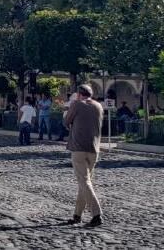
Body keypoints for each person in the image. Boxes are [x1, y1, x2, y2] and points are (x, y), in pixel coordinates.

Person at [65, 85, 104, 228]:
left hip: (79, 148)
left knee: (84, 181)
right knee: (84, 182)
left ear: (79, 94)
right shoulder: (99, 106)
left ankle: (96, 214)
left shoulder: (77, 104)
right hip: (94, 149)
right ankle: (77, 215)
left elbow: (66, 121)